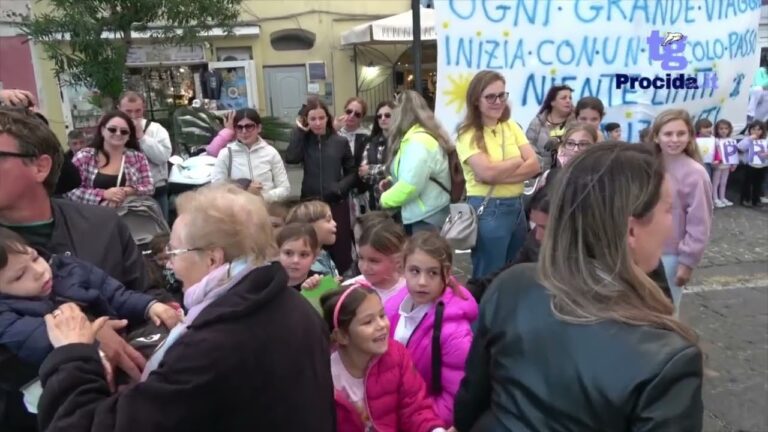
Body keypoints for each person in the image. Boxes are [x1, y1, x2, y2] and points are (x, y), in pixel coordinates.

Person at [36, 184, 336, 431]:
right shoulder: (292, 306)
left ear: (212, 259)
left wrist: (72, 354)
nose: (169, 261)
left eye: (175, 250)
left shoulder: (212, 345)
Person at [455, 143, 703, 431]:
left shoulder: (513, 284)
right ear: (631, 230)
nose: (672, 226)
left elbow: (469, 406)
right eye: (669, 210)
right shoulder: (669, 359)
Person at [0, 108, 154, 431]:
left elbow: (146, 295)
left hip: (116, 408)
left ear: (40, 166)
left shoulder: (103, 225)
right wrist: (89, 338)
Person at [0, 227, 180, 366]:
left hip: (125, 334)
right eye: (19, 276)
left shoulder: (66, 268)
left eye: (35, 258)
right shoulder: (7, 315)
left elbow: (115, 294)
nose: (39, 271)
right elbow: (39, 340)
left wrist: (149, 306)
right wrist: (91, 336)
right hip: (74, 364)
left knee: (172, 339)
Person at [320, 285, 451, 432]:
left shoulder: (397, 355)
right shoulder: (323, 376)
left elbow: (415, 408)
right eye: (368, 322)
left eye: (382, 315)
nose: (381, 325)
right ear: (342, 336)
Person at [456, 70, 539, 278]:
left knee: (515, 273)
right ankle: (486, 311)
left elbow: (535, 166)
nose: (498, 101)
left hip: (518, 207)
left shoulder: (511, 126)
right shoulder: (468, 133)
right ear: (476, 100)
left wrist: (494, 174)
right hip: (489, 208)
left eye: (502, 95)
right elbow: (487, 172)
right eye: (490, 96)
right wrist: (516, 161)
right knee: (489, 275)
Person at [387, 232, 477, 425]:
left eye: (432, 273)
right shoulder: (394, 307)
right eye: (414, 271)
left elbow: (454, 400)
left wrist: (416, 421)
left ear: (446, 273)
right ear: (403, 269)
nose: (421, 282)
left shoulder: (455, 334)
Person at [649, 109, 713, 313]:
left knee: (665, 311)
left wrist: (688, 261)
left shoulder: (695, 173)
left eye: (681, 134)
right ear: (656, 137)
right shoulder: (646, 165)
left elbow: (699, 222)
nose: (674, 139)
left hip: (670, 256)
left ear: (690, 137)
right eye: (668, 134)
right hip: (642, 249)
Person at [286, 97, 356, 274]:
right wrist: (300, 131)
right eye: (312, 119)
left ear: (328, 119)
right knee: (310, 246)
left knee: (339, 248)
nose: (317, 123)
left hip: (335, 203)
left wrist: (340, 187)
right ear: (306, 121)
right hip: (310, 204)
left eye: (321, 118)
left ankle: (340, 282)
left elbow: (352, 172)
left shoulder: (339, 142)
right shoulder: (304, 141)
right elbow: (292, 158)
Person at [379, 91, 452, 234]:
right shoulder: (421, 137)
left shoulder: (417, 142)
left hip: (426, 217)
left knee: (423, 256)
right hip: (429, 213)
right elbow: (414, 173)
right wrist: (392, 180)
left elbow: (410, 186)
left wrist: (384, 199)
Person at [67, 111, 154, 207]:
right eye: (112, 129)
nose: (118, 133)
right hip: (91, 219)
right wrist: (104, 194)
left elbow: (149, 187)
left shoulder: (138, 157)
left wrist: (127, 191)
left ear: (129, 136)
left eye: (124, 131)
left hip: (128, 218)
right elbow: (71, 191)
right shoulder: (84, 156)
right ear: (102, 130)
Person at [210, 109, 291, 202]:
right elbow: (217, 188)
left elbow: (285, 188)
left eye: (249, 126)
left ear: (259, 128)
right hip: (237, 210)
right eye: (239, 127)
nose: (244, 131)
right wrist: (243, 189)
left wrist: (263, 197)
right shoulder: (226, 154)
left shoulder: (270, 153)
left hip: (267, 210)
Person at [119, 92, 172, 220]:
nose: (133, 116)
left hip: (155, 192)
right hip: (125, 194)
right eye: (128, 112)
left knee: (160, 234)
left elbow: (163, 157)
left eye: (138, 111)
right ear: (119, 110)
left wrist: (142, 137)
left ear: (143, 109)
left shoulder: (155, 129)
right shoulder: (114, 130)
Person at [342, 216, 408, 314]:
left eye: (374, 261)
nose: (365, 267)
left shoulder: (411, 292)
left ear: (397, 261)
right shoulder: (349, 289)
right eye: (361, 258)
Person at [525, 85, 575, 170]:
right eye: (563, 98)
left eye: (570, 98)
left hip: (566, 172)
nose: (568, 101)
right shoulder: (538, 122)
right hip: (540, 173)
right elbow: (528, 144)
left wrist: (559, 143)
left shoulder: (575, 123)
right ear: (552, 102)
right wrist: (539, 162)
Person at [286, 200, 340, 277]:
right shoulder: (304, 265)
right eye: (328, 220)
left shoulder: (323, 255)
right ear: (309, 226)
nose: (335, 223)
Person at [359, 101, 395, 211]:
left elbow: (399, 170)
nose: (383, 118)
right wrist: (385, 170)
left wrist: (371, 170)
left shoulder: (403, 140)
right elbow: (362, 173)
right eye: (379, 116)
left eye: (387, 115)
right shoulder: (371, 142)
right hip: (375, 202)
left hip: (397, 202)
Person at [277, 223, 321, 291]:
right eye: (288, 253)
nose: (295, 260)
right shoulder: (266, 284)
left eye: (303, 255)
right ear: (277, 254)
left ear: (314, 257)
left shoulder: (320, 283)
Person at [738, 120, 768, 207]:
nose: (756, 132)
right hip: (750, 165)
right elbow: (740, 147)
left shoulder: (765, 139)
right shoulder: (748, 139)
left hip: (763, 165)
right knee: (747, 183)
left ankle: (756, 199)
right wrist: (749, 139)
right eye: (754, 129)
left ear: (763, 131)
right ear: (750, 130)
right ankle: (745, 199)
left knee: (758, 183)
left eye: (759, 130)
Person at [712, 119, 736, 208]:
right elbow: (713, 152)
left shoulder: (731, 140)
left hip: (727, 165)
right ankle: (715, 198)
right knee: (716, 183)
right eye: (721, 128)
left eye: (726, 128)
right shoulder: (715, 140)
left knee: (724, 182)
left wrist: (734, 164)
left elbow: (733, 153)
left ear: (729, 129)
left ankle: (722, 197)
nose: (723, 130)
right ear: (717, 130)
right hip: (718, 165)